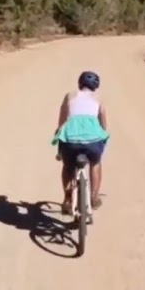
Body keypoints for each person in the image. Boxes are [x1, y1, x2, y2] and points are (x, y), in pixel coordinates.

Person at [51, 70, 109, 215]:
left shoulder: (69, 96)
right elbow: (103, 125)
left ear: (80, 83)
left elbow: (62, 120)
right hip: (93, 142)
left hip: (71, 141)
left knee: (67, 167)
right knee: (95, 163)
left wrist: (58, 131)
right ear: (96, 86)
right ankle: (94, 196)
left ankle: (67, 198)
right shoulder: (98, 99)